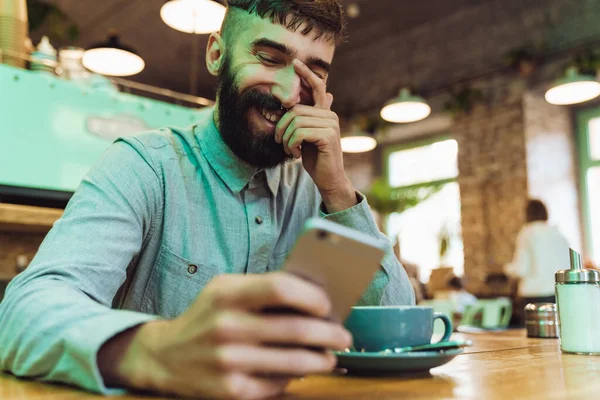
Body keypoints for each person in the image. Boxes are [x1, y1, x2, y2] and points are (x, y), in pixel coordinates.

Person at [0, 1, 414, 399]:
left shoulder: (316, 191)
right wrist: (157, 351)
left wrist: (339, 190)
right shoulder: (146, 166)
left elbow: (398, 329)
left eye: (312, 74)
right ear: (217, 54)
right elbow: (23, 316)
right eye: (269, 58)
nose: (290, 94)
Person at [504, 199, 569, 306]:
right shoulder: (558, 234)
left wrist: (506, 269)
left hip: (535, 293)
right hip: (559, 292)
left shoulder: (527, 232)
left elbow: (521, 269)